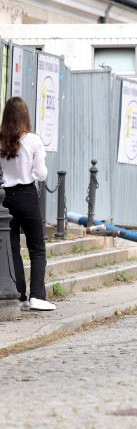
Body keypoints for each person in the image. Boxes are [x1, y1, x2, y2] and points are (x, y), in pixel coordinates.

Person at [1, 96, 53, 311]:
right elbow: (41, 175)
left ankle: (21, 296)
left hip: (5, 197)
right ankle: (38, 296)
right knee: (37, 247)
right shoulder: (33, 140)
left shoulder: (1, 140)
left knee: (13, 249)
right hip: (27, 194)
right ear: (25, 115)